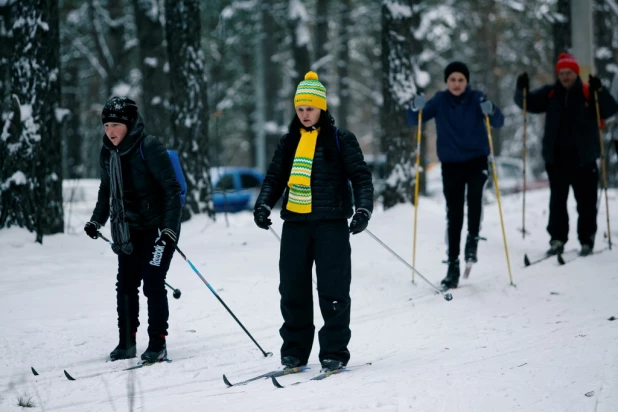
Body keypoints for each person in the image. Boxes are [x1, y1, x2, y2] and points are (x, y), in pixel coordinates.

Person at [253, 72, 374, 372]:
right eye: (300, 109)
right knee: (292, 289)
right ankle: (294, 351)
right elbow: (275, 178)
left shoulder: (340, 139)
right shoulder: (289, 141)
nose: (305, 114)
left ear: (321, 107)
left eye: (310, 108)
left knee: (333, 290)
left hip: (331, 223)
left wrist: (363, 211)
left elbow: (360, 177)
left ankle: (333, 351)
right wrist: (263, 204)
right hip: (295, 223)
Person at [84, 96, 182, 363]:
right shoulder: (108, 152)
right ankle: (126, 342)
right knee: (126, 284)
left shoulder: (149, 147)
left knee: (152, 282)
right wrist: (96, 220)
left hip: (159, 229)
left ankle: (157, 343)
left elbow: (171, 191)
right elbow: (107, 190)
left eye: (115, 124)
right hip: (128, 230)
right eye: (106, 125)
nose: (110, 131)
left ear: (128, 124)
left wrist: (170, 230)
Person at [407, 61, 504, 290]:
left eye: (461, 80)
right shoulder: (440, 100)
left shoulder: (477, 98)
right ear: (447, 81)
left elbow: (498, 122)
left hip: (477, 160)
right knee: (454, 213)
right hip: (451, 164)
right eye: (453, 80)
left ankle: (472, 241)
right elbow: (415, 119)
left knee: (474, 201)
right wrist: (414, 107)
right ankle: (453, 265)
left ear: (466, 81)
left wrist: (491, 110)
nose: (457, 84)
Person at [514, 53, 617, 257]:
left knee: (586, 203)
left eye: (568, 73)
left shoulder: (588, 92)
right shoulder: (551, 93)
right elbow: (528, 104)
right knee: (557, 203)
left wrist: (601, 91)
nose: (565, 77)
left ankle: (586, 239)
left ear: (576, 73)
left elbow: (609, 110)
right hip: (557, 160)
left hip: (584, 159)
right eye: (561, 73)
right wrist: (521, 89)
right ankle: (557, 239)